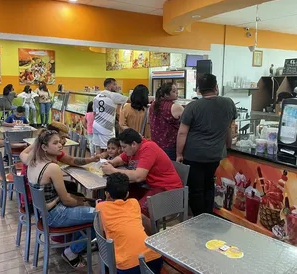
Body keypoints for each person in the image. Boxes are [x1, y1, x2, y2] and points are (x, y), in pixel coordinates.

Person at [26, 129, 95, 268]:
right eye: (55, 143)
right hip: (57, 215)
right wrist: (81, 202)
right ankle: (72, 252)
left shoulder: (32, 161)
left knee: (84, 203)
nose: (60, 145)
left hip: (44, 215)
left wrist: (78, 201)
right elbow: (67, 201)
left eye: (60, 142)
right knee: (100, 215)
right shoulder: (52, 167)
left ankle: (76, 245)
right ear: (44, 147)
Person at [176, 74, 237, 216]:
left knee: (196, 189)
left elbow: (182, 133)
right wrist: (228, 145)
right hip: (215, 154)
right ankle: (208, 216)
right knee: (209, 185)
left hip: (194, 155)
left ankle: (199, 219)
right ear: (216, 87)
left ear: (199, 90)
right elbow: (229, 128)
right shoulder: (228, 103)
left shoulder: (193, 106)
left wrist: (179, 154)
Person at [102, 128, 182, 212]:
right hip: (151, 186)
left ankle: (141, 223)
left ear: (133, 144)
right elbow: (121, 158)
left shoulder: (148, 148)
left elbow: (139, 176)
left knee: (136, 211)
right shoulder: (133, 148)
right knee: (120, 196)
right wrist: (112, 163)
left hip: (168, 190)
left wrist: (112, 171)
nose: (122, 150)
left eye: (124, 147)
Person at [96, 173, 163, 274]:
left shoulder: (101, 208)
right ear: (127, 194)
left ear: (107, 194)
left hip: (127, 267)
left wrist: (101, 203)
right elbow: (144, 220)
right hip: (155, 258)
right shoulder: (134, 203)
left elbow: (102, 234)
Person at [20, 121, 99, 167]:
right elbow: (23, 155)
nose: (64, 141)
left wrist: (91, 159)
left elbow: (71, 160)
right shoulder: (39, 147)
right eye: (62, 138)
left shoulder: (52, 150)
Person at [149, 83, 184, 160]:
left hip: (155, 144)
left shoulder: (153, 105)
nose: (177, 93)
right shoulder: (175, 107)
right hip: (170, 146)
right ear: (166, 94)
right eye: (174, 91)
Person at [93, 78, 128, 152]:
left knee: (98, 148)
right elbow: (131, 100)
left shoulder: (97, 96)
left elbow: (94, 113)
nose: (116, 86)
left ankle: (97, 162)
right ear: (108, 86)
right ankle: (105, 163)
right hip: (106, 127)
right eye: (114, 84)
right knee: (108, 150)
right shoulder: (113, 95)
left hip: (96, 125)